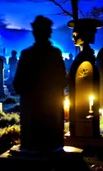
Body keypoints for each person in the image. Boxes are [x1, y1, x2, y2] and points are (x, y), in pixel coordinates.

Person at [13, 15, 67, 152]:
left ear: (35, 33)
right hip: (51, 109)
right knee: (51, 146)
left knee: (33, 145)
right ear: (49, 33)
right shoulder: (54, 53)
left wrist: (29, 94)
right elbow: (63, 81)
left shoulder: (27, 54)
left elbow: (18, 83)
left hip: (32, 111)